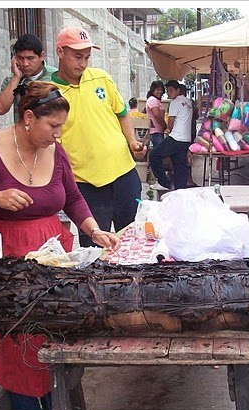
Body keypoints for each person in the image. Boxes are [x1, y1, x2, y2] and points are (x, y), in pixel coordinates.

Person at [0, 81, 120, 410]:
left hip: (51, 248)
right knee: (14, 330)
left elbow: (72, 198)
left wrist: (94, 231)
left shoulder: (56, 151)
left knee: (53, 324)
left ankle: (52, 393)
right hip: (0, 251)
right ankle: (25, 408)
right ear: (27, 118)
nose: (58, 134)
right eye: (53, 126)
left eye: (61, 127)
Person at [50, 25, 146, 247]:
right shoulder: (50, 92)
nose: (83, 64)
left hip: (124, 175)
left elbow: (122, 113)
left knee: (132, 241)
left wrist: (132, 141)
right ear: (60, 52)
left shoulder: (101, 78)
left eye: (87, 57)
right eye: (77, 56)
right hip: (85, 184)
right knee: (95, 249)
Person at [0, 34, 58, 118]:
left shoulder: (56, 76)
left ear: (41, 56)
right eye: (20, 58)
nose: (25, 64)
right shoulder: (13, 79)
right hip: (23, 130)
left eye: (30, 58)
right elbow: (0, 109)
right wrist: (16, 78)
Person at [149, 79, 193, 191]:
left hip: (176, 137)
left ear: (178, 90)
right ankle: (181, 189)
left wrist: (168, 131)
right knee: (179, 165)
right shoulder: (188, 102)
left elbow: (171, 123)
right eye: (167, 90)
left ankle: (163, 182)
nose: (168, 93)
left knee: (154, 155)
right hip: (186, 139)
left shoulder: (174, 103)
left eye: (171, 90)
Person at [145, 80, 167, 149]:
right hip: (155, 132)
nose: (160, 92)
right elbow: (156, 115)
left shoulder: (156, 100)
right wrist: (164, 125)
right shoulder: (152, 100)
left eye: (161, 90)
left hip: (158, 131)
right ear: (153, 90)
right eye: (157, 90)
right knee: (160, 153)